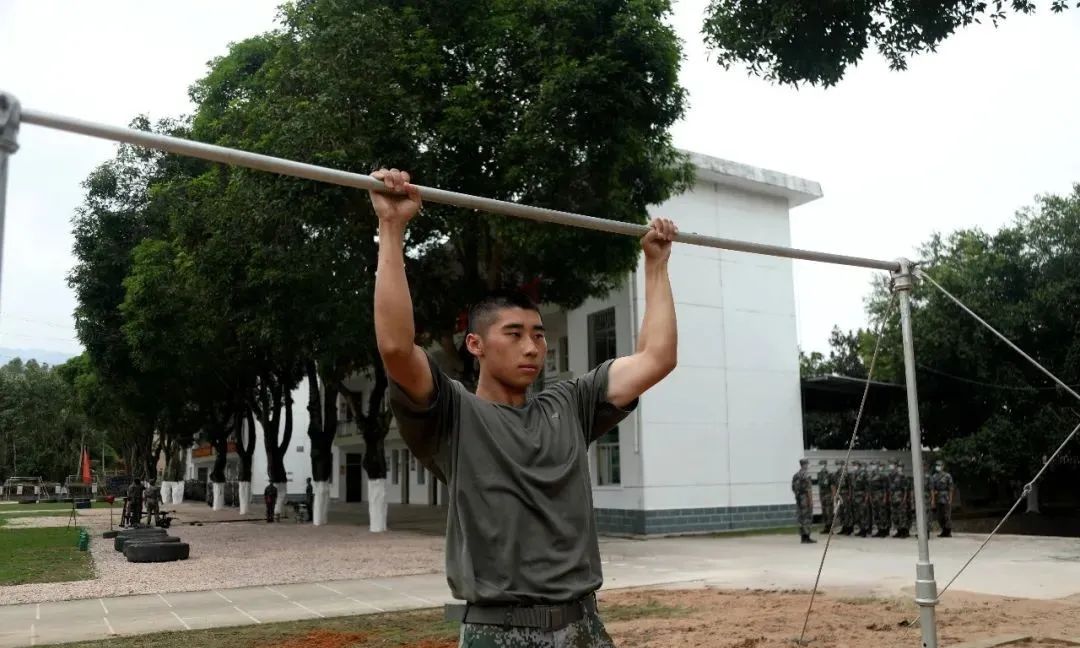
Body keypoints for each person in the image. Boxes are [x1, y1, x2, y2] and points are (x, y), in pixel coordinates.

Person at [370, 168, 679, 648]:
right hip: (499, 632)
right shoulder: (453, 415)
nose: (532, 347)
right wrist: (392, 229)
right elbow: (395, 347)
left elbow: (657, 358)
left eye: (538, 334)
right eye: (513, 335)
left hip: (584, 628)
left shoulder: (571, 403)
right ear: (475, 344)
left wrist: (655, 265)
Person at [792, 459, 816, 544]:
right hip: (805, 498)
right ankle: (807, 537)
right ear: (805, 465)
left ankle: (802, 537)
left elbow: (793, 488)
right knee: (807, 517)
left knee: (801, 517)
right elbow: (808, 489)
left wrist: (798, 496)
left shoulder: (796, 475)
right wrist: (811, 500)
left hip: (799, 498)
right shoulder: (806, 475)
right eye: (807, 464)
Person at [930, 460, 954, 537]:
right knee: (939, 516)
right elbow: (932, 489)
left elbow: (951, 488)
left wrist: (950, 499)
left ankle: (948, 531)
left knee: (946, 515)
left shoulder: (947, 476)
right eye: (937, 465)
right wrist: (933, 500)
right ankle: (943, 530)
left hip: (945, 497)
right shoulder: (934, 476)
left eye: (940, 465)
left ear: (943, 466)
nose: (938, 467)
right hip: (938, 497)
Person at [888, 463, 908, 538]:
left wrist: (904, 498)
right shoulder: (890, 475)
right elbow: (890, 488)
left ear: (896, 466)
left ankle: (904, 532)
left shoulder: (901, 475)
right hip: (893, 497)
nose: (891, 466)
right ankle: (898, 531)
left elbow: (905, 489)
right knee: (894, 515)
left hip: (900, 496)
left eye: (892, 464)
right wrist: (890, 496)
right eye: (890, 464)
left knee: (902, 514)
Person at [837, 460, 856, 536]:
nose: (841, 466)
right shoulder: (838, 474)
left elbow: (850, 486)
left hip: (846, 494)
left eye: (842, 465)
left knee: (848, 511)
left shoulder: (848, 474)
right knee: (842, 512)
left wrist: (850, 495)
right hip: (840, 495)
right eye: (840, 465)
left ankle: (849, 528)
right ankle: (844, 527)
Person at [852, 461, 871, 537]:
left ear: (859, 466)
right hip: (856, 496)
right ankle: (861, 529)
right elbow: (853, 486)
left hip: (862, 496)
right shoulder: (854, 474)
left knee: (863, 513)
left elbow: (867, 486)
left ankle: (865, 530)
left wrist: (866, 497)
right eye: (853, 465)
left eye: (855, 465)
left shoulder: (864, 474)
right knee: (858, 514)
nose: (854, 466)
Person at [816, 460, 835, 534]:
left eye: (822, 464)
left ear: (825, 465)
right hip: (822, 495)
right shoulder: (819, 474)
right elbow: (820, 486)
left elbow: (832, 485)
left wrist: (833, 496)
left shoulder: (829, 474)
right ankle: (826, 528)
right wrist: (820, 496)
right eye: (820, 464)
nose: (821, 466)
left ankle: (830, 529)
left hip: (828, 495)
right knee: (824, 512)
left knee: (829, 512)